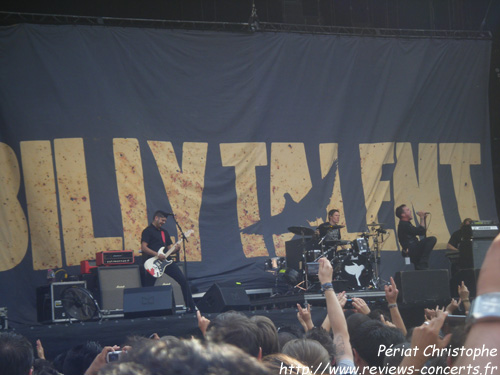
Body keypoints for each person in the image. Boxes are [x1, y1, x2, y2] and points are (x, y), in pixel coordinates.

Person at [141, 210, 196, 312]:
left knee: (183, 281)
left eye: (165, 221)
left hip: (167, 261)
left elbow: (170, 248)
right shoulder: (147, 231)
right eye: (162, 220)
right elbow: (144, 248)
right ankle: (145, 310)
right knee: (148, 287)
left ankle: (192, 308)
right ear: (156, 218)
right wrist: (157, 254)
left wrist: (176, 249)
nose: (164, 223)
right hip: (153, 263)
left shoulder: (164, 232)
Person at [395, 204, 436, 270]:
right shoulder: (404, 225)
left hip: (413, 248)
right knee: (432, 239)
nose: (410, 211)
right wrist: (422, 218)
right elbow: (421, 231)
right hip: (412, 249)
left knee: (419, 271)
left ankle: (421, 265)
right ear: (403, 214)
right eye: (408, 210)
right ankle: (423, 262)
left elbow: (422, 231)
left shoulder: (406, 224)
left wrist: (423, 219)